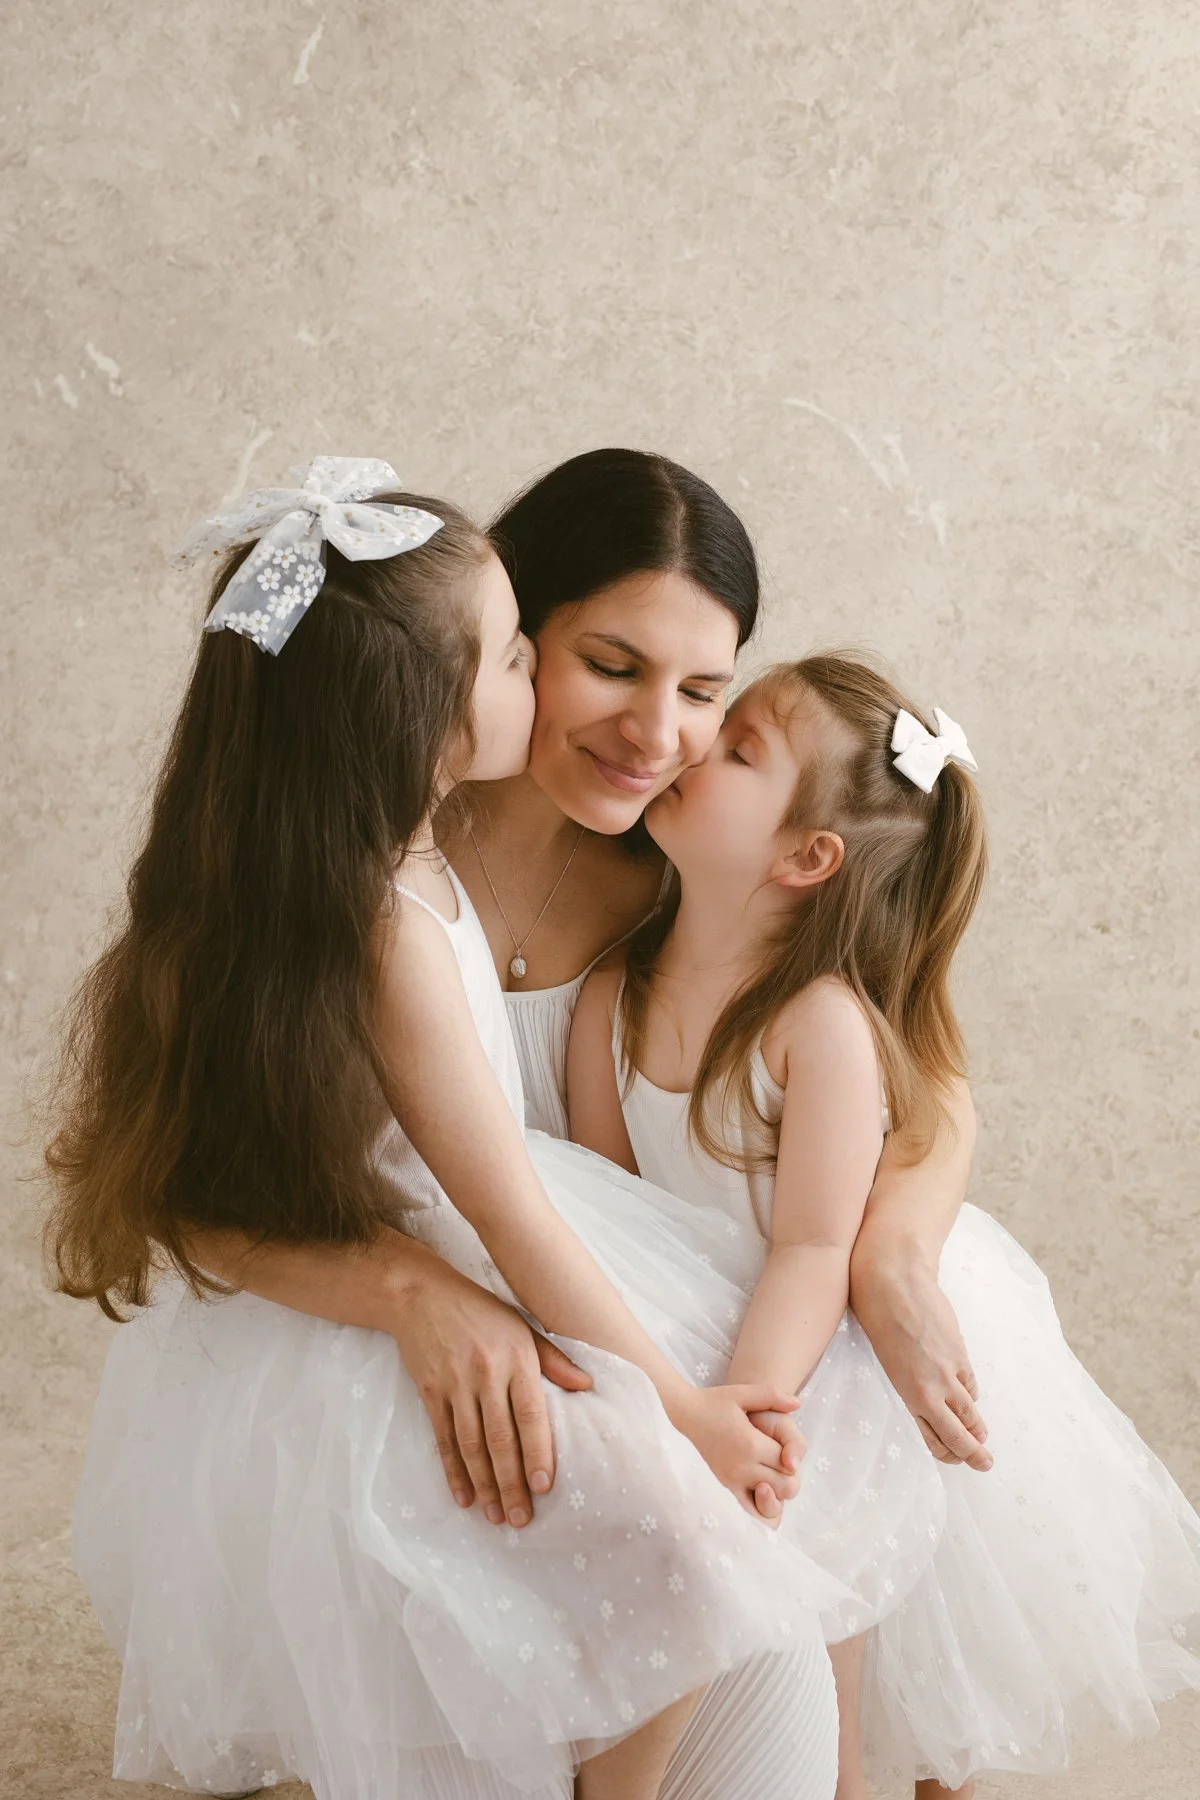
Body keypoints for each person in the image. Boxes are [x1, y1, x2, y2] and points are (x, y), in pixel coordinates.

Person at [175, 447, 987, 1800]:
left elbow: (919, 1071)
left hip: (636, 1311)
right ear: (502, 636)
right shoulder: (348, 862)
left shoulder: (696, 867)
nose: (661, 734)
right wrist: (407, 1290)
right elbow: (180, 1181)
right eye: (610, 665)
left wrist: (894, 1250)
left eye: (707, 695)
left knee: (821, 1449)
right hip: (414, 1336)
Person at [568, 653, 1200, 1798]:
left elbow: (814, 1246)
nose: (693, 743)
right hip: (688, 1341)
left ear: (808, 858)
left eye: (741, 749)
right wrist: (653, 1385)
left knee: (848, 1652)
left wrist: (751, 1404)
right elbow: (607, 1213)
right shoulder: (612, 995)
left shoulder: (818, 1028)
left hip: (818, 1354)